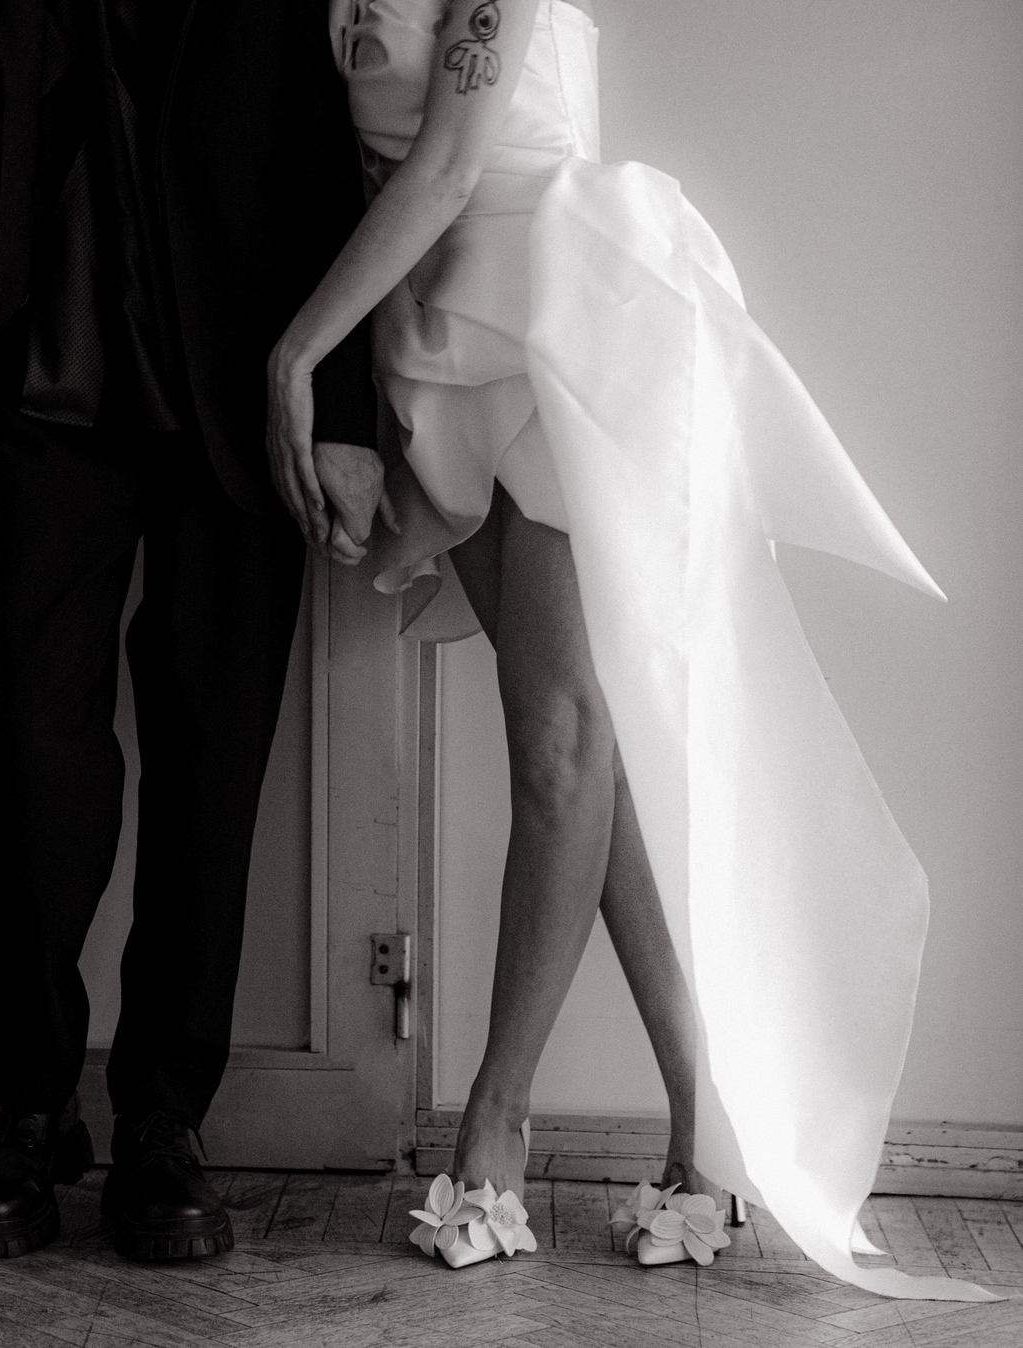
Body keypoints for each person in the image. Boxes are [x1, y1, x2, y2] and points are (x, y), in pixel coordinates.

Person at [267, 0, 997, 1300]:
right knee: (583, 753)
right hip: (433, 344)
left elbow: (448, 163)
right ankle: (703, 1121)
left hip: (565, 317)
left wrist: (296, 353)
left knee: (562, 741)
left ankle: (494, 1133)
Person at [0, 0, 378, 1261]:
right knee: (30, 755)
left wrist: (346, 405)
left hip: (242, 384)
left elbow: (323, 144)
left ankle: (164, 1118)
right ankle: (27, 1109)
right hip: (24, 381)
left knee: (215, 759)